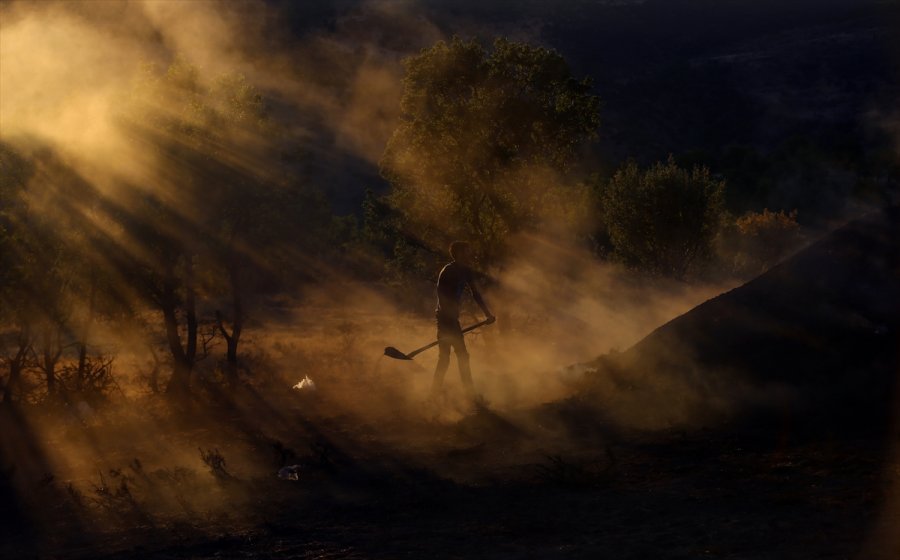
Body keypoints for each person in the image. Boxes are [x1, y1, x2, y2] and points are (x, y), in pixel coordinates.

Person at [431, 241, 495, 401]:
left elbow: (476, 294)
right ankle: (469, 395)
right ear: (458, 254)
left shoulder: (466, 271)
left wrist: (488, 314)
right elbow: (441, 296)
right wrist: (449, 319)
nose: (469, 255)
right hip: (445, 318)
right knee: (455, 357)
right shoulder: (447, 271)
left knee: (448, 358)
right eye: (466, 252)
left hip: (451, 318)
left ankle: (434, 395)